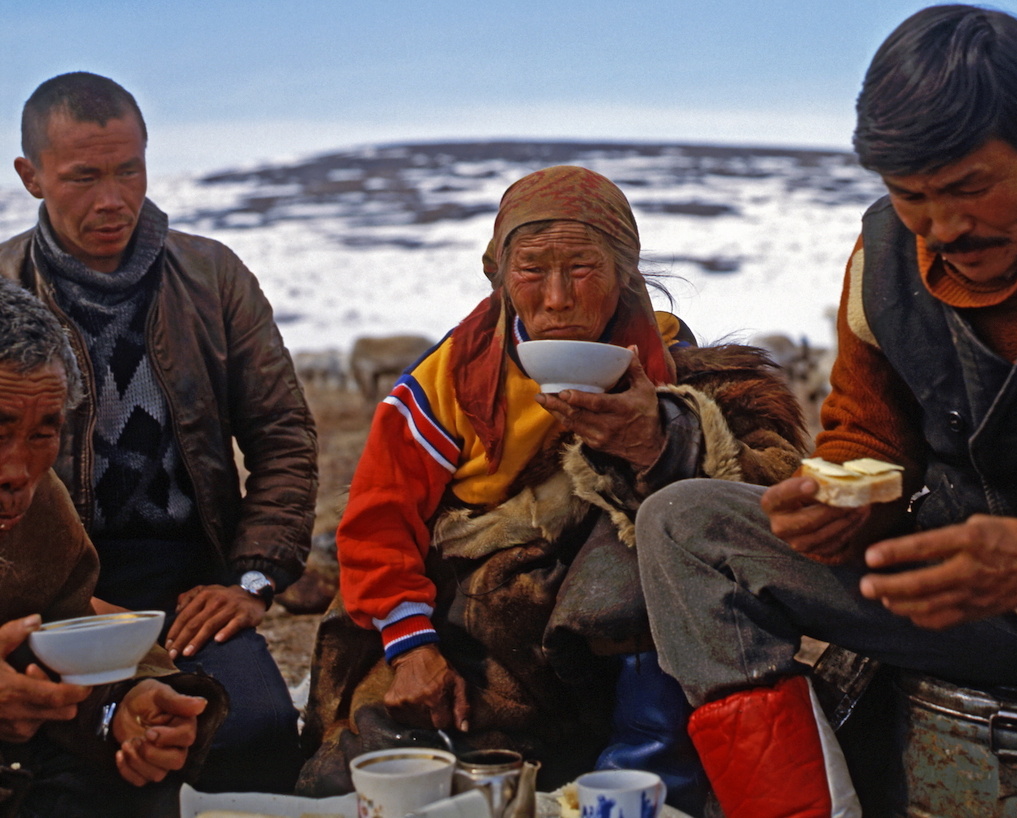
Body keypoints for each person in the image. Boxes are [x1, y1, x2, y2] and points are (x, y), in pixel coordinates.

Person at [636, 4, 1017, 817]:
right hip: (950, 599)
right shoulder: (885, 254)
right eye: (911, 196)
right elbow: (866, 435)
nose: (942, 228)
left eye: (971, 188)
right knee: (686, 525)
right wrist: (841, 502)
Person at [299, 165, 807, 808]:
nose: (557, 298)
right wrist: (412, 649)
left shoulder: (677, 377)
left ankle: (639, 776)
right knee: (375, 772)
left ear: (625, 274)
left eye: (583, 269)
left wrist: (654, 441)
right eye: (533, 270)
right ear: (501, 277)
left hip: (601, 636)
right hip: (473, 623)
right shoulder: (447, 385)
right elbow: (378, 521)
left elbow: (752, 499)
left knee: (647, 531)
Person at [0, 72, 317, 793]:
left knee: (252, 730)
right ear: (32, 177)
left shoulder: (212, 278)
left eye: (129, 170)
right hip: (38, 584)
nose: (112, 199)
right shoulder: (3, 289)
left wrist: (251, 577)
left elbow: (285, 436)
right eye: (83, 177)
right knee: (59, 753)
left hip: (188, 584)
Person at [0, 277, 228, 818]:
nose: (17, 471)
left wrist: (122, 709)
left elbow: (71, 626)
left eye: (43, 433)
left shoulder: (42, 510)